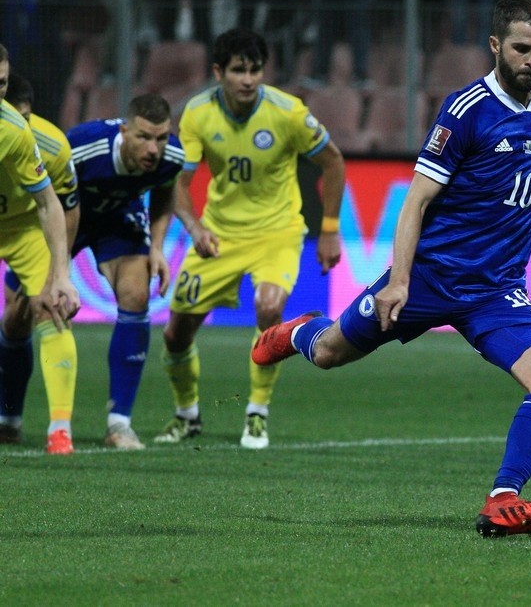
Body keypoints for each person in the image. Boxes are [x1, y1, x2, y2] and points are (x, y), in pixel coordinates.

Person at [252, 0, 531, 537]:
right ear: (495, 45)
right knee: (328, 354)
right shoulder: (465, 112)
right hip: (430, 278)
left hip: (497, 292)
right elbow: (416, 201)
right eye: (522, 49)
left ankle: (503, 498)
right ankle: (300, 331)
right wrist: (400, 281)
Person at [158, 27, 345, 449]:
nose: (248, 80)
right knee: (176, 334)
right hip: (219, 234)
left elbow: (333, 162)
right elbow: (179, 185)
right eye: (238, 71)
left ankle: (257, 412)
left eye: (255, 70)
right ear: (218, 72)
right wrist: (195, 228)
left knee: (269, 307)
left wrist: (330, 230)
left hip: (277, 232)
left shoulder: (288, 112)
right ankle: (186, 415)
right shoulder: (197, 114)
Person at [63, 93, 185, 450]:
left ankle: (119, 424)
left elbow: (164, 195)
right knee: (22, 308)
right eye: (144, 137)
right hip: (67, 217)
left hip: (118, 219)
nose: (154, 149)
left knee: (136, 294)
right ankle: (8, 420)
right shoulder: (82, 147)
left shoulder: (172, 157)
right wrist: (58, 268)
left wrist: (157, 247)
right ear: (124, 130)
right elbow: (50, 201)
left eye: (161, 138)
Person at [0, 50, 80, 453]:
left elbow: (53, 203)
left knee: (53, 306)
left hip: (22, 228)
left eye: (1, 84)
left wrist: (60, 275)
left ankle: (60, 430)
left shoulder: (19, 132)